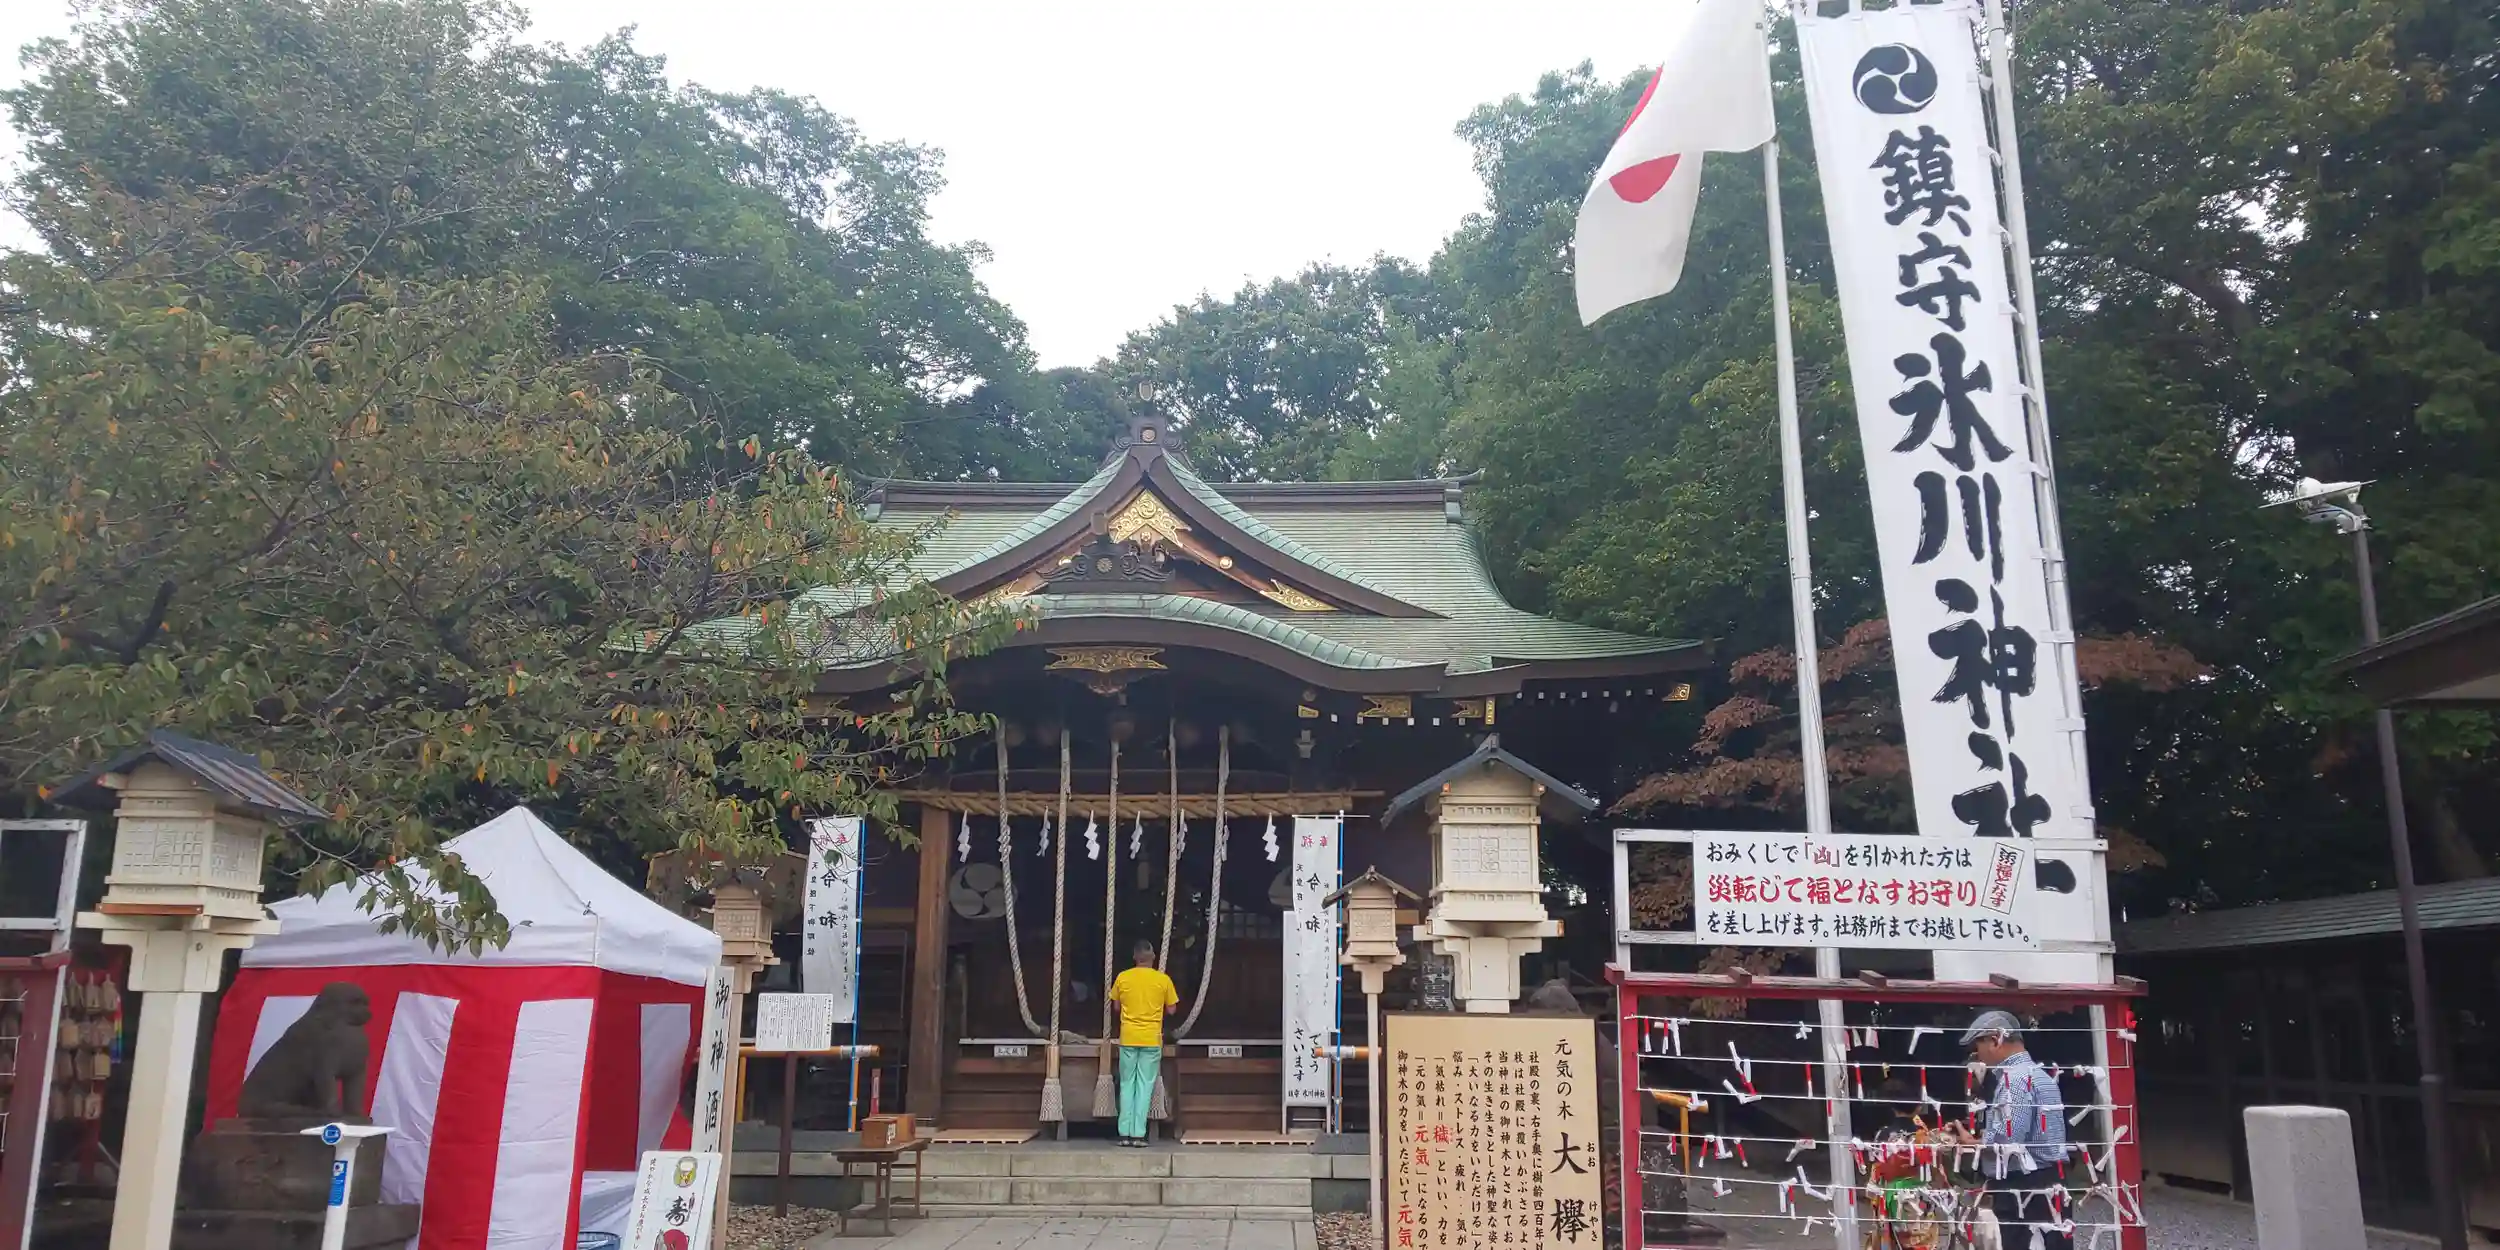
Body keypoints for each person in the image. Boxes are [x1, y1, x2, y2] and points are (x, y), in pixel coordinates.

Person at [1942, 1009, 2072, 1250]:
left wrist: (1972, 1143)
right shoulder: (2040, 1075)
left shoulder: (2015, 1080)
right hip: (2049, 1179)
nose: (1977, 1055)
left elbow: (2008, 1139)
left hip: (2023, 1186)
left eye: (1978, 1046)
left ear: (1995, 1040)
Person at [1107, 938, 1179, 1147]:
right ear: (1153, 957)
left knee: (1127, 1084)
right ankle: (1138, 1135)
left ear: (1134, 957)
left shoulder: (1123, 977)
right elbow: (1172, 1009)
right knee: (1145, 1086)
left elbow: (1116, 1007)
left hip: (1128, 1037)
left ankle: (1124, 1133)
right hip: (1151, 1038)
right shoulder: (1163, 980)